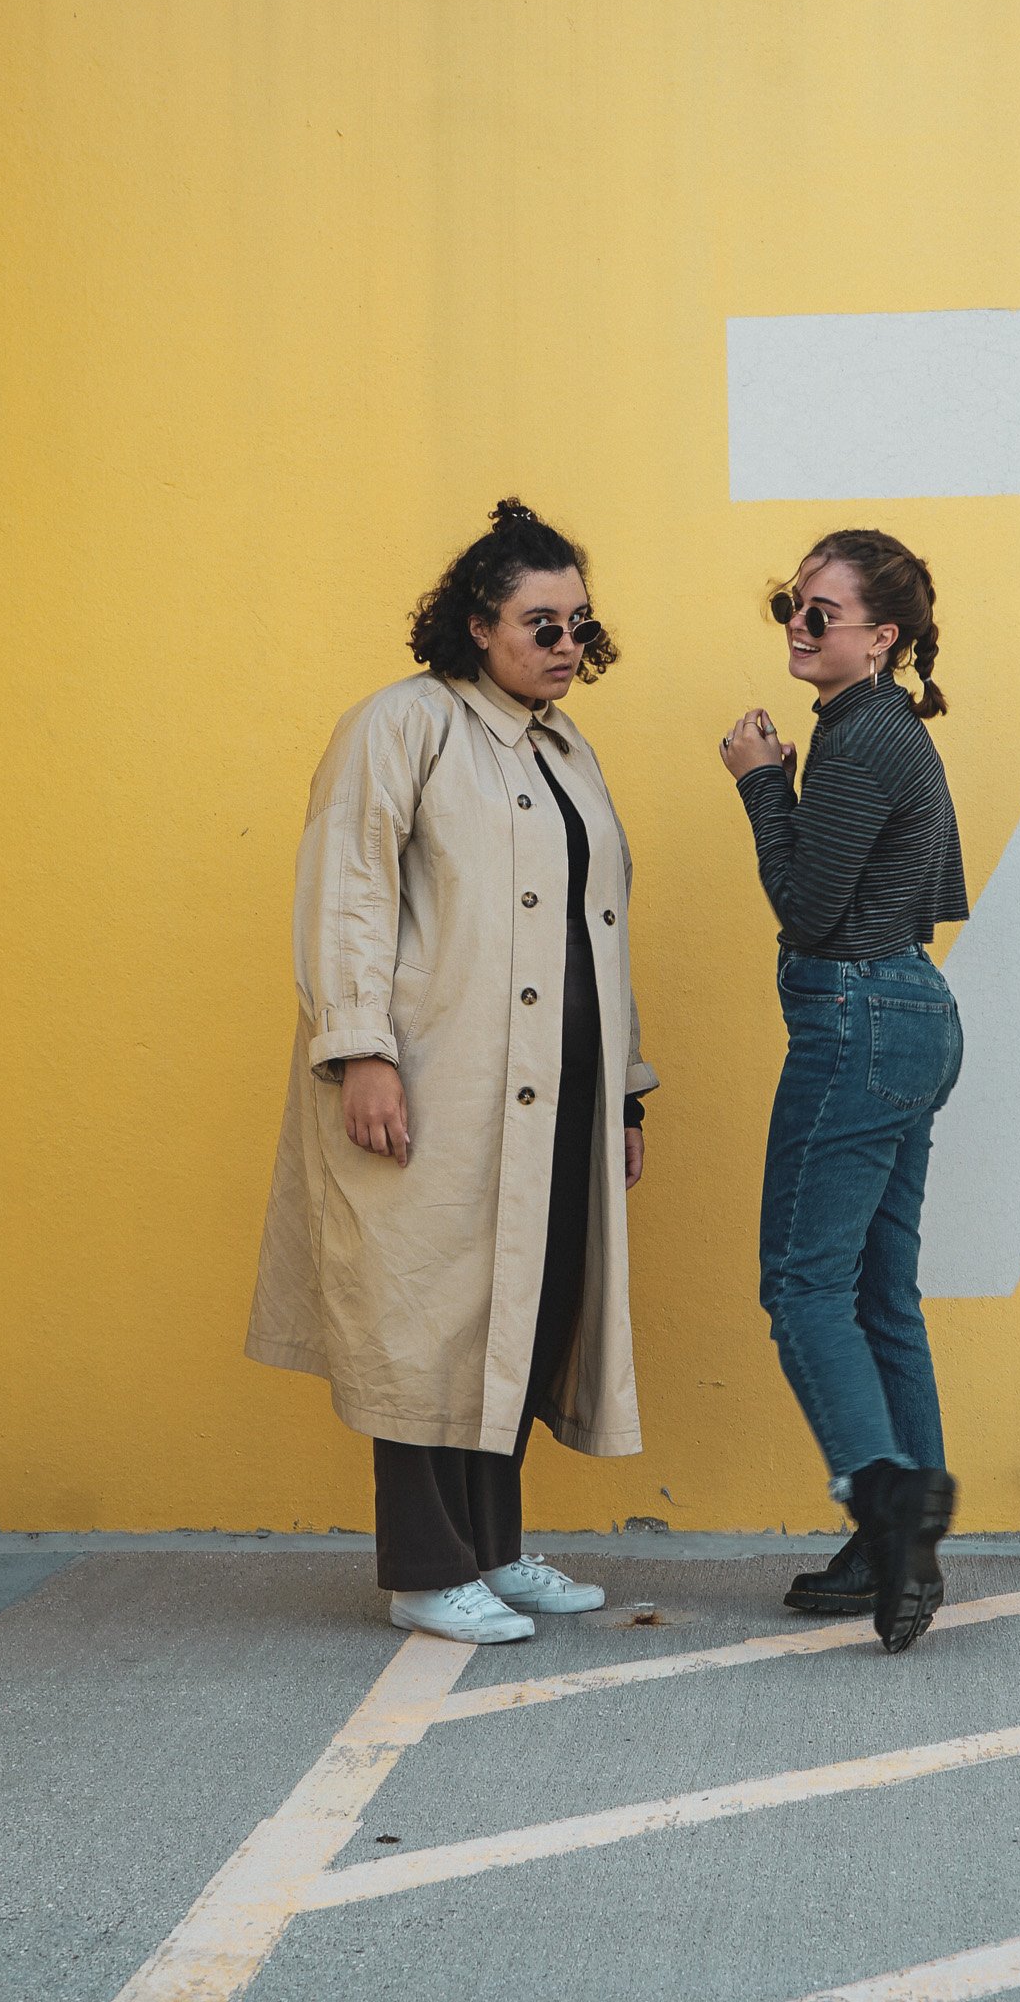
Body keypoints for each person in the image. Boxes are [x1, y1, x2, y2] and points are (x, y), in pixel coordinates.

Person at [248, 499, 657, 1644]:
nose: (568, 640)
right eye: (542, 620)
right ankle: (427, 1568)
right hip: (439, 1086)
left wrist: (624, 1087)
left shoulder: (566, 749)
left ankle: (494, 1548)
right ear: (478, 623)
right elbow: (349, 888)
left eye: (580, 621)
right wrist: (360, 1051)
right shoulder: (404, 724)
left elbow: (604, 932)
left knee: (518, 1309)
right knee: (425, 1314)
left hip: (558, 1093)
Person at [719, 529, 968, 1653]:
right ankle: (894, 1543)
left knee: (804, 1287)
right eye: (791, 602)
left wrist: (761, 783)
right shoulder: (885, 731)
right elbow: (930, 891)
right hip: (909, 1012)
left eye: (822, 611)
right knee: (880, 1294)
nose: (799, 624)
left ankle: (892, 1517)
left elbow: (811, 911)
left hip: (859, 1018)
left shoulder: (860, 740)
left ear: (883, 636)